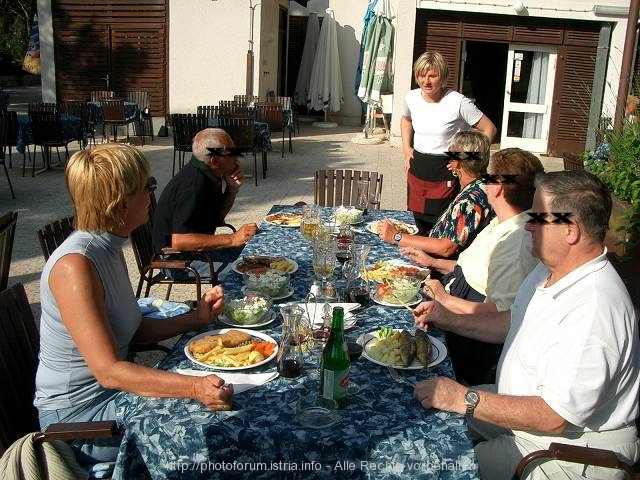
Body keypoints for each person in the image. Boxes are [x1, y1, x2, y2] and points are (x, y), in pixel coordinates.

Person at [412, 170, 640, 479]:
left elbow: (554, 416)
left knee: (434, 464)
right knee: (421, 413)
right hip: (525, 416)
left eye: (537, 219)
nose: (527, 227)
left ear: (570, 230)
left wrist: (460, 398)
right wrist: (447, 318)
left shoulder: (595, 307)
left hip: (566, 451)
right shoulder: (550, 269)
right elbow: (511, 323)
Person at [34, 144, 234, 465]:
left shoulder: (106, 246)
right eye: (148, 186)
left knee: (217, 397)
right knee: (214, 430)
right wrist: (194, 388)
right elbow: (109, 373)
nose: (152, 194)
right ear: (123, 202)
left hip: (109, 397)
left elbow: (132, 329)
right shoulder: (77, 265)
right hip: (80, 421)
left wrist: (195, 319)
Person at [401, 148, 544, 385]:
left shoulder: (516, 244)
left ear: (498, 186)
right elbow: (476, 268)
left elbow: (502, 314)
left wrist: (445, 301)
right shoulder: (503, 221)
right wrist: (433, 262)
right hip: (450, 311)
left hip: (470, 347)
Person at [402, 50, 497, 234]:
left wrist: (467, 159)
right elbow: (406, 120)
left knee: (443, 225)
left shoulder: (458, 101)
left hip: (446, 170)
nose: (426, 81)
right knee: (417, 224)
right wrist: (406, 149)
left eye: (432, 75)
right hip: (418, 166)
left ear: (443, 76)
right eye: (421, 75)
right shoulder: (411, 97)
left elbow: (489, 129)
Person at [152, 128, 258, 280]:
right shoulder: (193, 186)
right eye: (231, 152)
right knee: (248, 274)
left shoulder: (209, 175)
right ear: (214, 160)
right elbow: (179, 241)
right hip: (176, 261)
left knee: (259, 255)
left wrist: (232, 189)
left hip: (199, 251)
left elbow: (216, 218)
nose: (237, 157)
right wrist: (232, 239)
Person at [380, 130, 492, 258]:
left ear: (456, 163)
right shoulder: (485, 185)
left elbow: (446, 247)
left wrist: (397, 237)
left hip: (442, 269)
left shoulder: (468, 201)